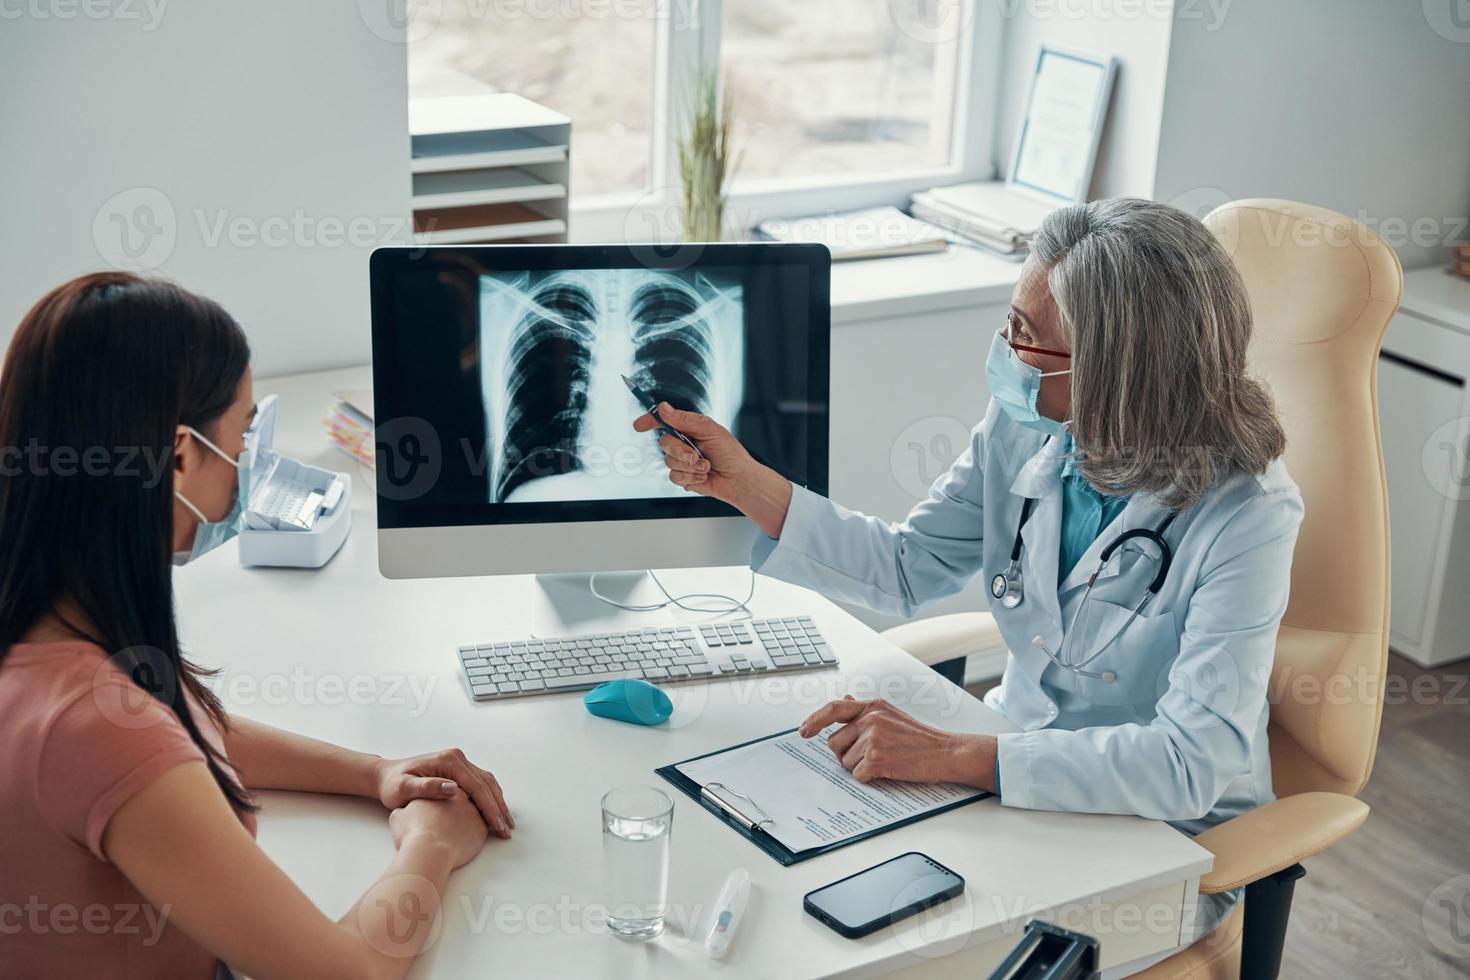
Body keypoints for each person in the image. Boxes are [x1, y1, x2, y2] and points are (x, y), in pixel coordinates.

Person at [635, 198, 1303, 937]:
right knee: (825, 905)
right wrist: (743, 481)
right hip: (1011, 777)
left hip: (1170, 840)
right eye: (1010, 323)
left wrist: (954, 752)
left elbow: (1188, 765)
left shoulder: (1248, 516)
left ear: (1119, 374)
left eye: (1028, 340)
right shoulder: (1030, 428)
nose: (1007, 354)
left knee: (937, 948)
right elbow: (907, 566)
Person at [0, 272, 512, 979]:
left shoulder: (51, 620)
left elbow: (177, 733)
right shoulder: (94, 727)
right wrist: (431, 843)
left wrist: (375, 772)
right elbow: (345, 974)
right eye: (244, 437)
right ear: (179, 456)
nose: (250, 468)